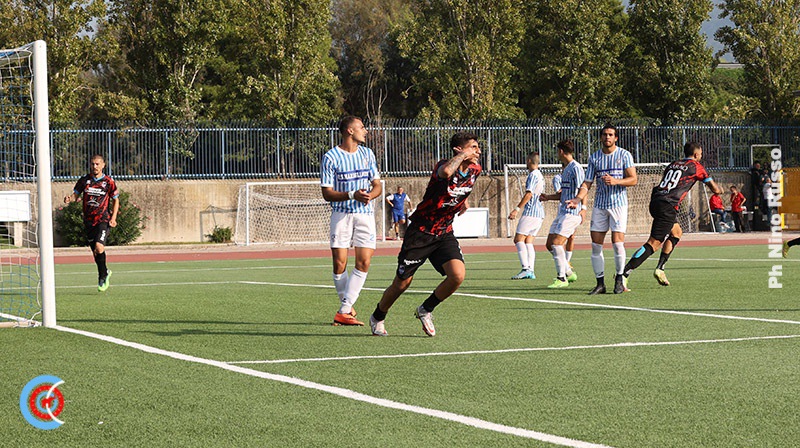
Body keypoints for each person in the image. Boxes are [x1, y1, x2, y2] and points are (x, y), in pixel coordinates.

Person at [369, 132, 482, 337]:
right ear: (458, 150)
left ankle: (425, 309)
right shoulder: (443, 166)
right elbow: (446, 173)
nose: (478, 151)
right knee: (402, 283)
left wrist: (463, 201)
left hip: (444, 232)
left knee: (457, 275)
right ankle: (378, 316)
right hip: (421, 233)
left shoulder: (476, 170)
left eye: (478, 147)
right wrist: (461, 156)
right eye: (473, 147)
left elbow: (462, 187)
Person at [621, 142, 722, 287]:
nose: (701, 156)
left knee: (676, 233)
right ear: (696, 154)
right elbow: (715, 189)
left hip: (656, 201)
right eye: (700, 153)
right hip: (668, 205)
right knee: (654, 243)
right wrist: (720, 190)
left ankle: (660, 269)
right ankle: (624, 274)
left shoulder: (673, 164)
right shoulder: (697, 167)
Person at [320, 116, 382, 326]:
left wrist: (369, 196)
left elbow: (377, 185)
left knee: (364, 262)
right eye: (361, 127)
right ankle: (346, 308)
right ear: (349, 131)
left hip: (364, 214)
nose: (365, 131)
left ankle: (344, 310)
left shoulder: (367, 154)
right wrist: (351, 195)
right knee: (339, 263)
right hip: (341, 214)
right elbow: (327, 193)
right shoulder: (331, 157)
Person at [568, 124, 637, 295]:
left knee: (617, 243)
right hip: (600, 205)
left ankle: (619, 279)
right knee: (596, 245)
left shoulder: (624, 155)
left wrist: (616, 181)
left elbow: (633, 179)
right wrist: (577, 199)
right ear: (600, 137)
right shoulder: (594, 158)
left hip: (618, 205)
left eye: (611, 134)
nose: (607, 137)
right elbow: (587, 182)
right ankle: (600, 284)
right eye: (605, 134)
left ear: (616, 138)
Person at [64, 154, 119, 292]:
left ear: (103, 165)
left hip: (103, 219)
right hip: (88, 221)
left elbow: (116, 200)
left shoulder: (108, 182)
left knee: (99, 247)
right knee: (95, 252)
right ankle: (104, 272)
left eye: (97, 164)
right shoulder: (84, 180)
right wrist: (70, 199)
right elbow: (76, 195)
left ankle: (102, 276)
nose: (95, 166)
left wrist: (113, 218)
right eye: (93, 164)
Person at [540, 139, 585, 289]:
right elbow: (563, 195)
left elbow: (584, 189)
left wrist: (584, 208)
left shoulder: (576, 168)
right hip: (563, 212)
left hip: (572, 213)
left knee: (557, 243)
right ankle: (568, 272)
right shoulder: (566, 170)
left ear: (560, 151)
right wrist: (548, 197)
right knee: (550, 244)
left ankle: (562, 278)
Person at [508, 152, 545, 279]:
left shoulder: (533, 175)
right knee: (528, 241)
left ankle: (526, 269)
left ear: (529, 160)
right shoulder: (540, 175)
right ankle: (531, 270)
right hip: (539, 214)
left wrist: (516, 209)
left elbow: (529, 194)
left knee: (518, 239)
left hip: (531, 213)